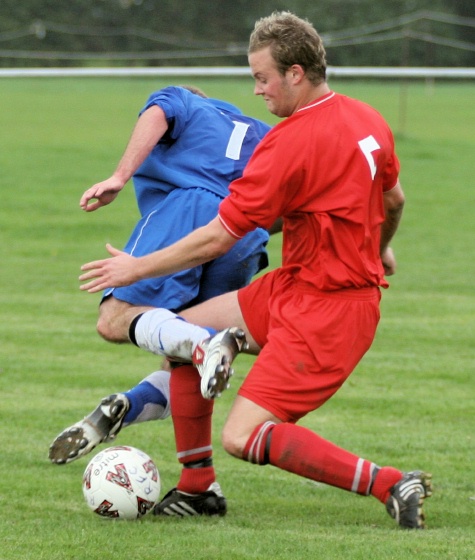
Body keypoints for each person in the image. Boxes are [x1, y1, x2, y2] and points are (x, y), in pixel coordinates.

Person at [77, 12, 432, 528]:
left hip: (330, 311)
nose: (257, 90)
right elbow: (394, 200)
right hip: (294, 287)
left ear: (294, 73)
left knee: (243, 436)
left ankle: (391, 483)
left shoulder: (288, 142)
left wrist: (136, 269)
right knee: (185, 337)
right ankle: (199, 488)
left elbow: (221, 236)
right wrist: (379, 248)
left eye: (262, 78)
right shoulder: (367, 118)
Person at [48, 85, 273, 473]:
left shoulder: (187, 100)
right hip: (246, 233)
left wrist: (120, 176)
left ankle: (204, 344)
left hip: (191, 207)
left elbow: (159, 111)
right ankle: (132, 408)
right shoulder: (264, 132)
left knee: (114, 320)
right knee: (182, 364)